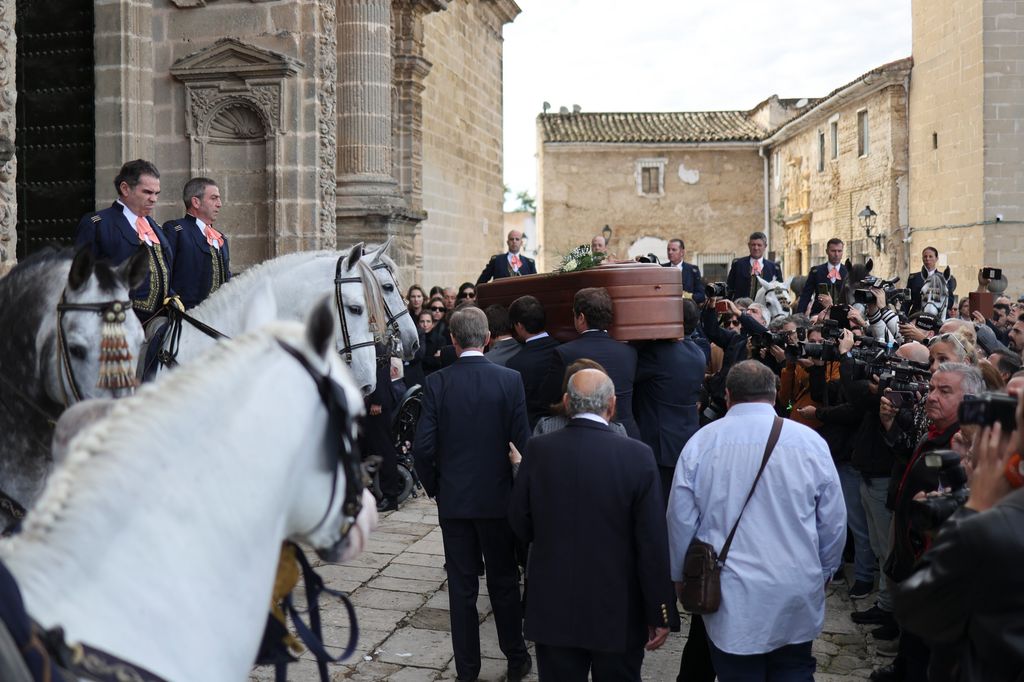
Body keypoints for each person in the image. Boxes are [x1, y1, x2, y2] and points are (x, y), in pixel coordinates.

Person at [667, 361, 846, 680]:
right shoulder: (809, 443)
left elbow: (680, 519)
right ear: (775, 394)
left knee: (738, 670)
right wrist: (825, 570)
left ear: (727, 395)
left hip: (733, 592)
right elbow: (832, 520)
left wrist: (681, 575)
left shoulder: (702, 443)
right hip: (795, 584)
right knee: (793, 668)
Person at [508, 368, 671, 680]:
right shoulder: (637, 455)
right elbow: (651, 541)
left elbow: (519, 519)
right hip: (617, 607)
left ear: (568, 402)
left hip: (553, 602)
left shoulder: (539, 450)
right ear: (611, 405)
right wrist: (659, 609)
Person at [412, 306, 532, 682]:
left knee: (462, 588)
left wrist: (436, 488)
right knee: (503, 581)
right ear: (488, 338)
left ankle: (467, 669)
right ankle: (515, 656)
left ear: (452, 339)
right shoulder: (509, 380)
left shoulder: (438, 382)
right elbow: (521, 443)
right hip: (497, 498)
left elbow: (423, 447)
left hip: (456, 500)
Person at [868, 363, 985, 682]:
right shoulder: (934, 433)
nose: (931, 396)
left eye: (944, 391)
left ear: (972, 401)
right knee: (913, 639)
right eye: (932, 388)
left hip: (938, 570)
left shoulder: (967, 447)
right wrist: (890, 424)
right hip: (912, 558)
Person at [892, 417, 1024, 681]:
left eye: (975, 459)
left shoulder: (990, 527)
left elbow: (915, 608)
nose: (966, 466)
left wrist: (974, 509)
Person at [74, 159, 178, 320]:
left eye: (157, 193)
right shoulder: (97, 224)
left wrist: (172, 296)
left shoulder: (155, 227)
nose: (154, 199)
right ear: (125, 189)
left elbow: (163, 269)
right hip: (118, 322)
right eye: (147, 192)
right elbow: (82, 280)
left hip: (161, 319)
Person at [541, 287, 640, 438]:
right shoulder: (629, 352)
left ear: (581, 318)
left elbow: (549, 399)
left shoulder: (564, 353)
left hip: (579, 435)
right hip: (625, 434)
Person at [162, 177, 231, 310]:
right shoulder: (176, 230)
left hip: (219, 317)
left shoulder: (221, 237)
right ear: (196, 202)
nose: (219, 204)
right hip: (187, 317)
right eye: (213, 198)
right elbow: (165, 273)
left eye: (219, 198)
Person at [506, 295, 561, 428]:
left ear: (519, 326)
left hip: (532, 430)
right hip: (562, 426)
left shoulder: (515, 363)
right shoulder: (563, 351)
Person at [796, 237, 847, 315]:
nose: (836, 254)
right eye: (833, 251)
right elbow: (806, 295)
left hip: (843, 315)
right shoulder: (816, 272)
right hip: (818, 315)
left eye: (839, 251)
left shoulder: (848, 272)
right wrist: (799, 315)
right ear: (827, 251)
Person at [726, 231, 782, 300]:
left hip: (765, 309)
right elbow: (729, 289)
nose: (756, 248)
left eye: (759, 245)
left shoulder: (774, 268)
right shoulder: (738, 264)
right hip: (741, 308)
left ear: (765, 246)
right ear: (749, 245)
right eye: (753, 245)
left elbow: (780, 292)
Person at [906, 247, 957, 315]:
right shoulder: (914, 278)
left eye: (930, 256)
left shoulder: (945, 278)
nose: (927, 259)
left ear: (936, 258)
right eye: (925, 256)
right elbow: (907, 301)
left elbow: (950, 301)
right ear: (922, 259)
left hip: (938, 316)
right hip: (917, 316)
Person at [663, 238, 705, 304]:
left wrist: (688, 297)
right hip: (666, 309)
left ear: (682, 252)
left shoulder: (692, 270)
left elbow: (701, 295)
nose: (670, 252)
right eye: (668, 249)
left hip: (686, 310)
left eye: (674, 250)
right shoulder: (661, 269)